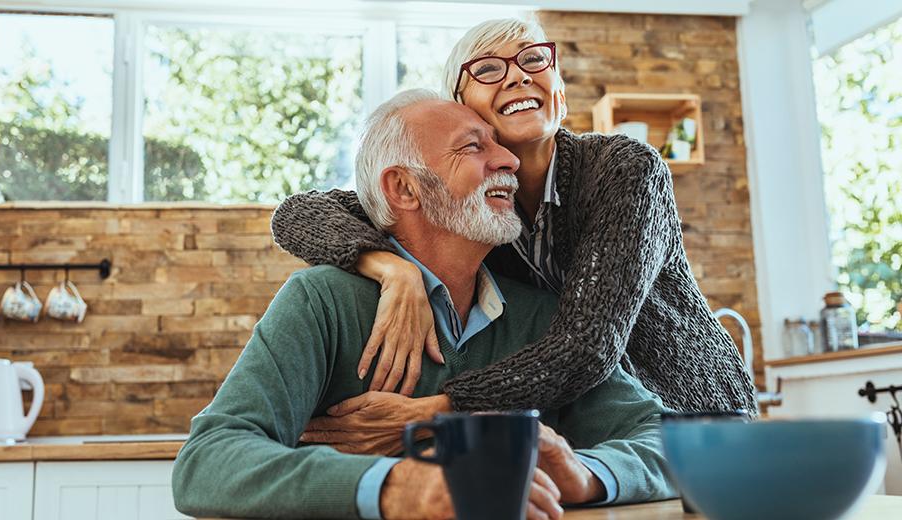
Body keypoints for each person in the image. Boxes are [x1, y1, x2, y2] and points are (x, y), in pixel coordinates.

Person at [172, 90, 676, 520]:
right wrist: (398, 486)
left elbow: (666, 442)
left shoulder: (541, 316)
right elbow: (208, 460)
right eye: (473, 147)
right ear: (404, 188)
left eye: (498, 145)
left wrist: (584, 475)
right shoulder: (323, 300)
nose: (509, 161)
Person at [270, 18, 757, 417]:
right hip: (593, 426)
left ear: (559, 93)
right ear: (463, 110)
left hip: (694, 413)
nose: (518, 76)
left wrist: (437, 409)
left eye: (532, 60)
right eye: (487, 69)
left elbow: (587, 346)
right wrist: (390, 267)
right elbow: (299, 213)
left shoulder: (626, 170)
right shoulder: (469, 207)